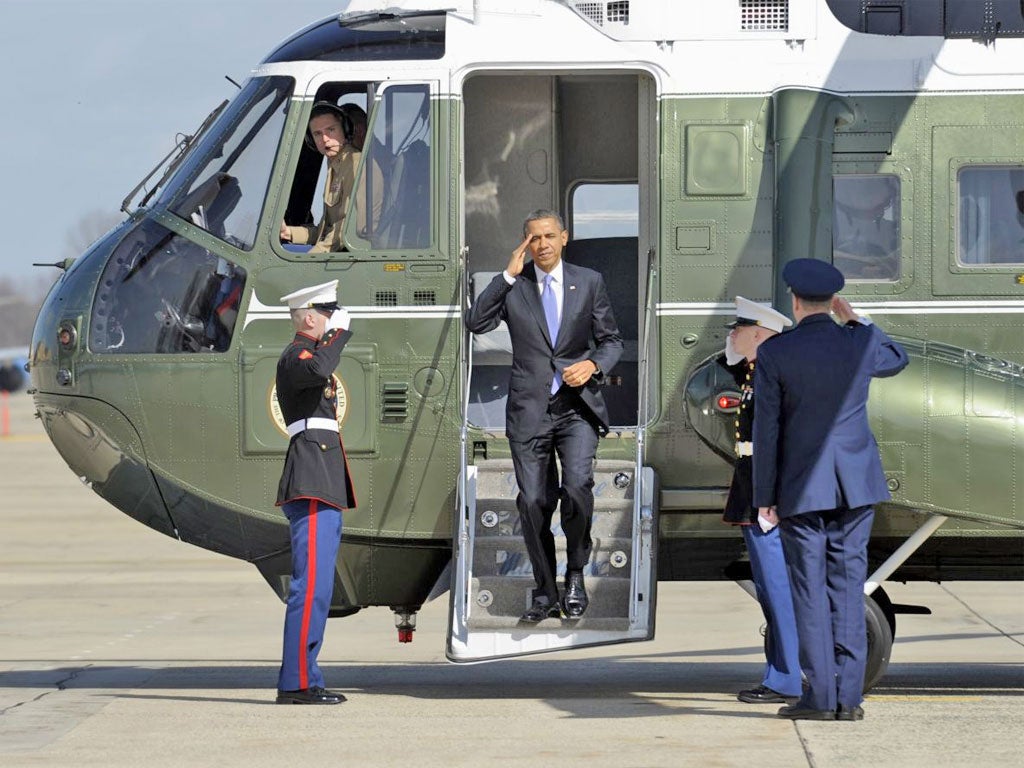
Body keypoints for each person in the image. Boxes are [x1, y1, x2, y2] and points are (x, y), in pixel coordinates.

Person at [752, 259, 909, 721]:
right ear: (833, 302)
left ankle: (819, 698)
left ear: (794, 301)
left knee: (809, 591)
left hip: (802, 490)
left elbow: (768, 431)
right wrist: (857, 318)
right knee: (847, 587)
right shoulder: (859, 343)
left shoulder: (777, 353)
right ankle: (850, 698)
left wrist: (765, 496)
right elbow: (898, 359)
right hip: (856, 487)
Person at [465, 210, 622, 622]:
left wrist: (592, 365)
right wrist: (507, 276)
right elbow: (476, 321)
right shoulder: (516, 287)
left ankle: (574, 573)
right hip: (530, 411)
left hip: (576, 409)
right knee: (533, 500)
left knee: (576, 489)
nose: (543, 244)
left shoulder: (588, 281)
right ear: (525, 244)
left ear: (564, 237)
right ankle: (544, 589)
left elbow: (611, 341)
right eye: (534, 238)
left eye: (550, 236)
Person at [274, 279, 356, 705]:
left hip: (320, 477)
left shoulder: (307, 356)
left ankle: (305, 677)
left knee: (319, 588)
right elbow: (319, 369)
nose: (332, 321)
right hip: (311, 477)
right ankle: (298, 683)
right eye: (327, 313)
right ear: (310, 316)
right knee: (310, 589)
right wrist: (340, 334)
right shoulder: (296, 357)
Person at [718, 297, 802, 706]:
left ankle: (787, 678)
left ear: (758, 334)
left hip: (767, 500)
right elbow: (728, 363)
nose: (731, 337)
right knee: (771, 592)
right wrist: (738, 347)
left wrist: (772, 499)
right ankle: (781, 674)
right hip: (756, 495)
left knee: (778, 591)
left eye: (739, 330)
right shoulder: (756, 373)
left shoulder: (773, 376)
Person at [280, 102, 383, 253]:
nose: (325, 139)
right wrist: (288, 232)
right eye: (317, 134)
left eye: (331, 130)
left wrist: (312, 257)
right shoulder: (336, 166)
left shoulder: (356, 165)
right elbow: (326, 231)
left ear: (346, 130)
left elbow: (346, 230)